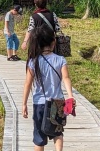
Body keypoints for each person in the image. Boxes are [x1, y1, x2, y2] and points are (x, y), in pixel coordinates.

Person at [22, 23, 74, 151]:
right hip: (58, 102)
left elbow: (28, 84)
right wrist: (70, 96)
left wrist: (24, 104)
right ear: (53, 42)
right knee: (57, 133)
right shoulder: (60, 60)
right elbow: (66, 78)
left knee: (39, 138)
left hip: (40, 103)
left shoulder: (33, 61)